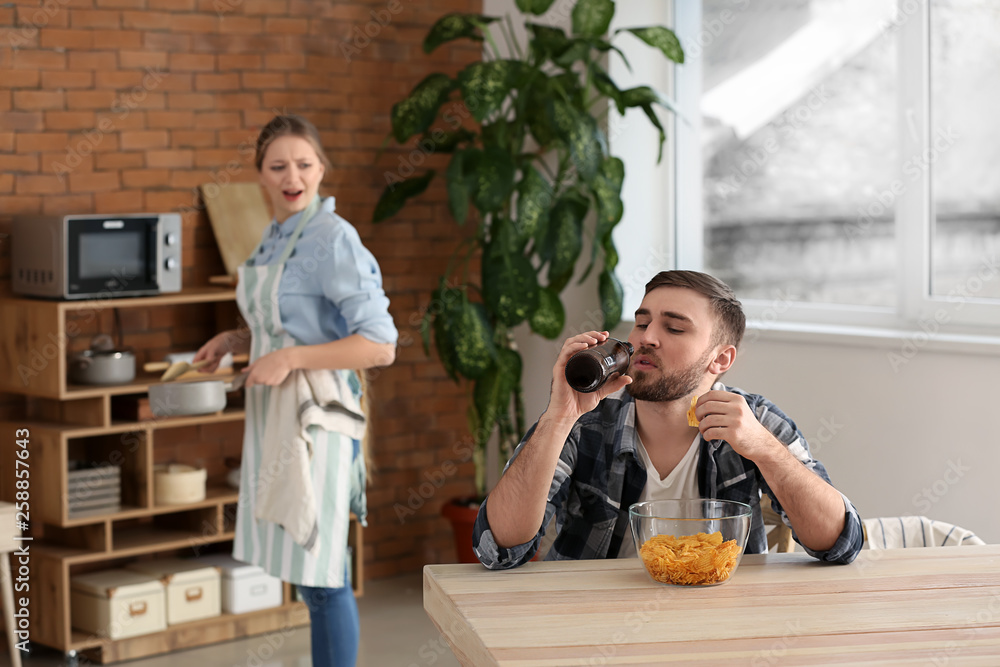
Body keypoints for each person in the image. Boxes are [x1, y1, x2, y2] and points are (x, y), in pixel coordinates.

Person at [473, 270, 863, 569]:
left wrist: (765, 450)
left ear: (721, 359)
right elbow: (498, 549)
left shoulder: (755, 421)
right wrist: (559, 417)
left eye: (674, 327)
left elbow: (841, 542)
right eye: (642, 323)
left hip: (721, 627)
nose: (647, 338)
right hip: (592, 627)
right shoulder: (582, 421)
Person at [193, 114, 397, 666]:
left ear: (321, 169)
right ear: (260, 175)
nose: (292, 175)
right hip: (277, 418)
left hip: (319, 420)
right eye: (278, 165)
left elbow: (380, 345)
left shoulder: (334, 237)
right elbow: (290, 322)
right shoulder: (274, 236)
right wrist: (235, 339)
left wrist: (288, 358)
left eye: (304, 164)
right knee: (309, 581)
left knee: (324, 575)